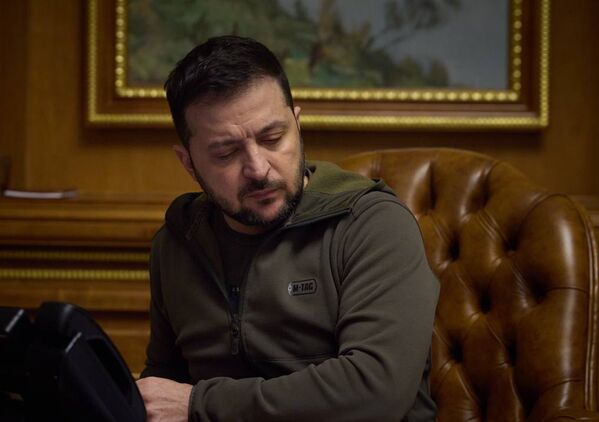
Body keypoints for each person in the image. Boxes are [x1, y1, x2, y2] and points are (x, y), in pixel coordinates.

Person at [136, 35, 439, 422]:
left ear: (297, 125)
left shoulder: (371, 224)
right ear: (189, 163)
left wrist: (201, 405)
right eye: (226, 153)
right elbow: (163, 390)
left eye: (273, 138)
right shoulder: (177, 243)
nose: (258, 168)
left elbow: (376, 391)